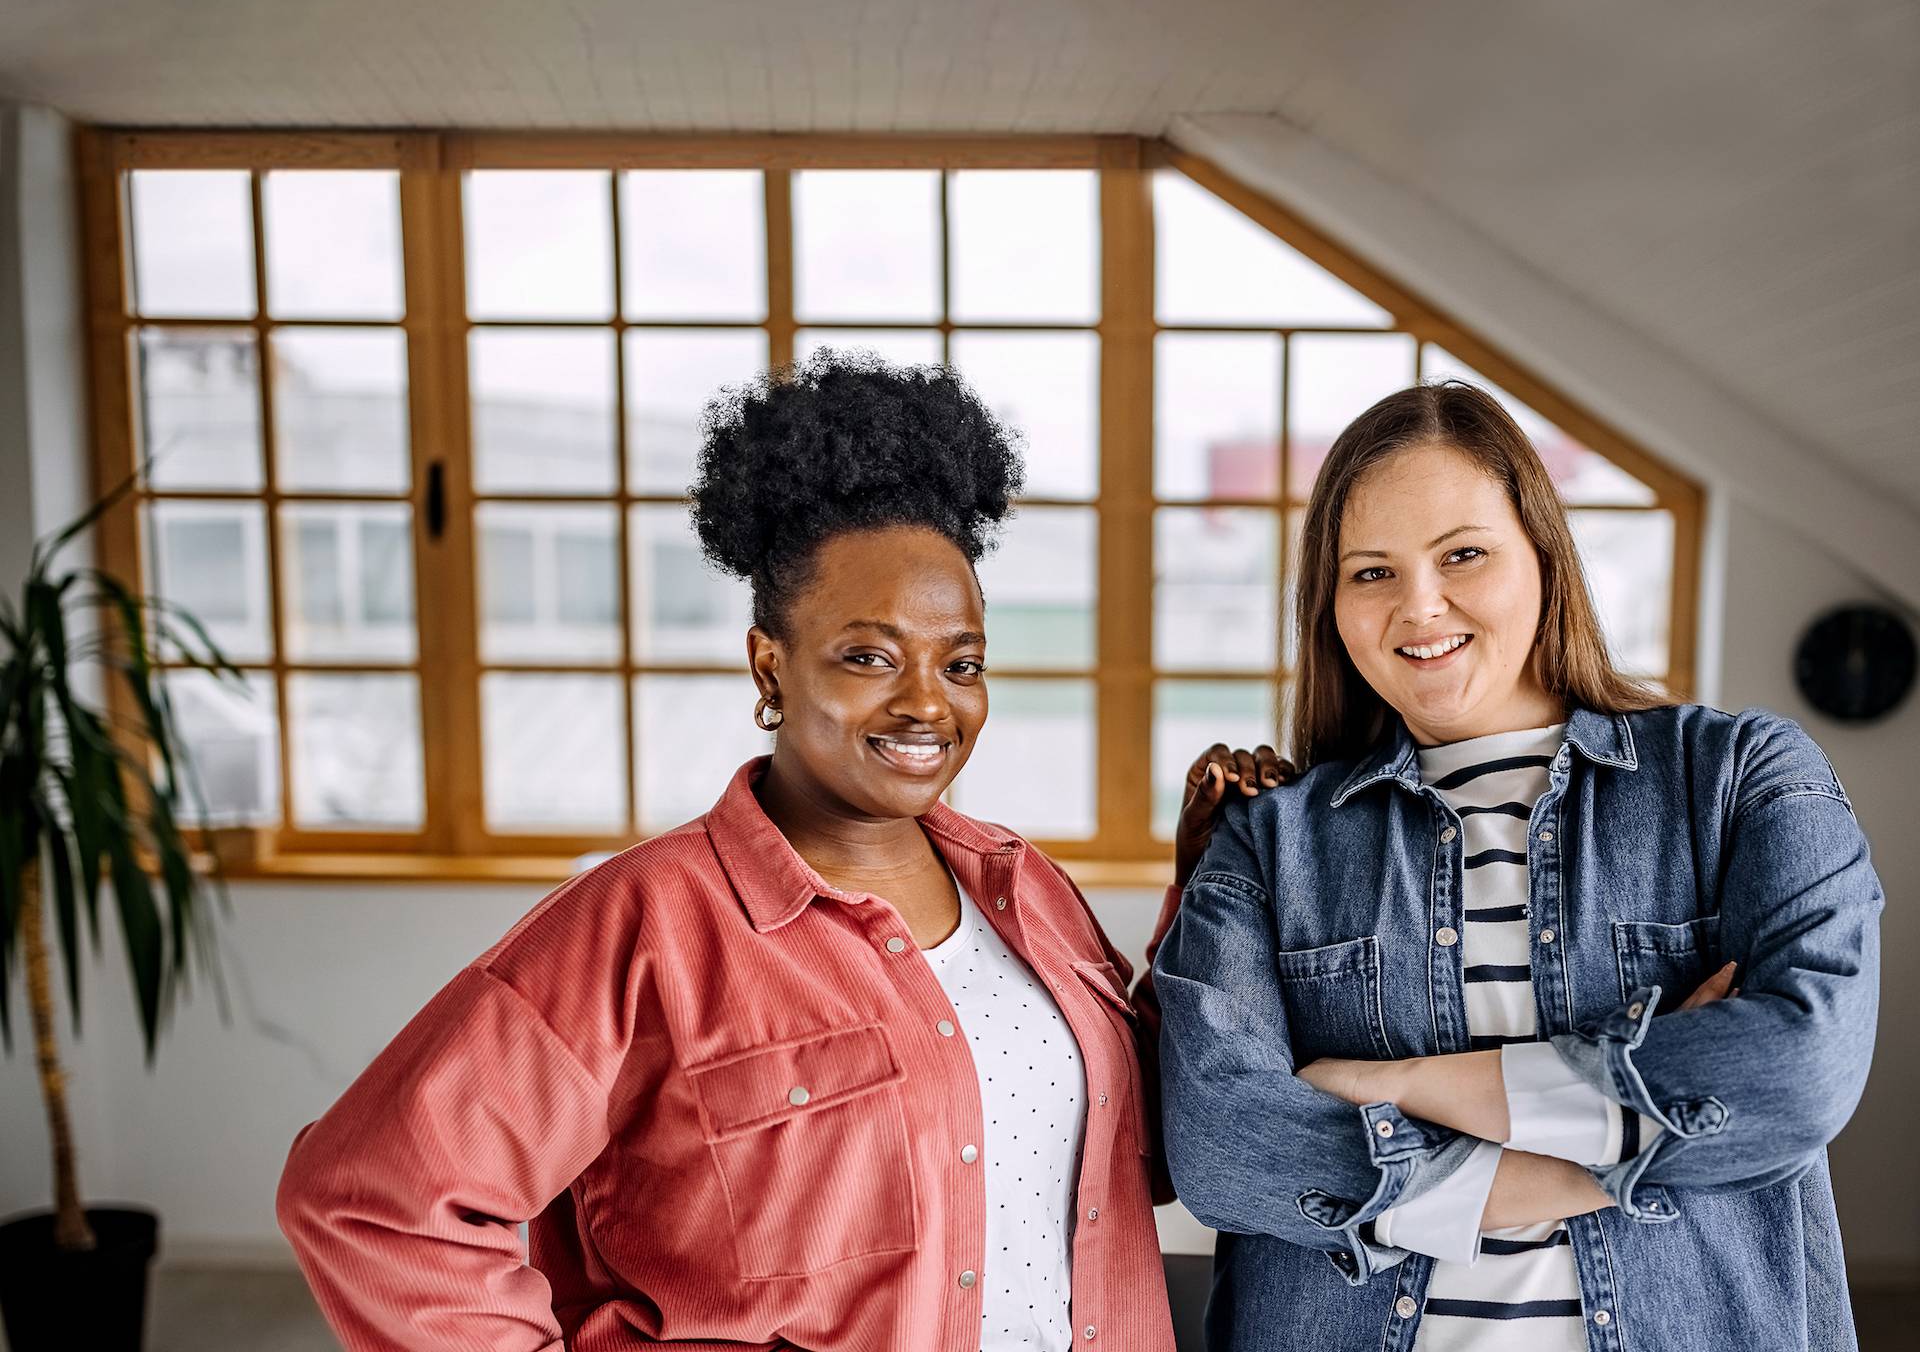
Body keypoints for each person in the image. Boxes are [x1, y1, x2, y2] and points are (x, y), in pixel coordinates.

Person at [276, 351, 1282, 1352]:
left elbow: (1141, 1151)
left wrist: (1214, 887)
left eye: (961, 662)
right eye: (869, 657)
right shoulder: (646, 928)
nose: (928, 703)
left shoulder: (1024, 892)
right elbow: (372, 1202)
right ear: (771, 664)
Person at [1156, 381, 1881, 1351]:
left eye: (1463, 554)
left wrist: (1398, 1082)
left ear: (1545, 558)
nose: (1419, 606)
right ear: (1330, 607)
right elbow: (1222, 1150)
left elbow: (1801, 1070)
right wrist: (1603, 1163)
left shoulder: (1740, 776)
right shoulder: (1270, 840)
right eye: (1371, 572)